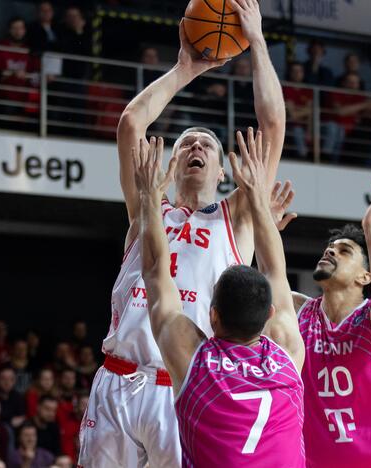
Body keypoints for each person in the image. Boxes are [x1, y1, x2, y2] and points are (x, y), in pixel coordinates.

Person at [79, 0, 286, 464]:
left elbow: (272, 127)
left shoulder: (237, 218)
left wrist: (257, 42)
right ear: (172, 164)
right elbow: (131, 123)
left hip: (185, 385)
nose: (195, 145)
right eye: (186, 141)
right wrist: (184, 68)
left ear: (221, 170)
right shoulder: (147, 208)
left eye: (207, 144)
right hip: (116, 381)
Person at [133, 129, 304, 466]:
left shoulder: (195, 363)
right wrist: (257, 200)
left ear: (211, 317)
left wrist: (150, 199)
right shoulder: (287, 353)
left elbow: (155, 273)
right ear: (270, 313)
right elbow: (275, 271)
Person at [286, 177, 371, 466]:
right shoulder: (299, 310)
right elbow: (257, 286)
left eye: (345, 251)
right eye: (330, 248)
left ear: (364, 278)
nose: (330, 251)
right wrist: (264, 225)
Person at [322, 72, 371, 164]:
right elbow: (340, 112)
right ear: (343, 83)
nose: (353, 85)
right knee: (336, 129)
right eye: (350, 82)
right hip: (336, 126)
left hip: (353, 130)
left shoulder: (361, 97)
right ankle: (328, 161)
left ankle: (368, 165)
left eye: (356, 82)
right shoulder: (335, 93)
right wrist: (365, 105)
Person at [283, 61, 313, 159]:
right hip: (288, 126)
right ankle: (303, 157)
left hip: (304, 126)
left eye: (299, 71)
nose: (297, 74)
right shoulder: (285, 88)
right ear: (290, 73)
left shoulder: (308, 91)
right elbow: (292, 115)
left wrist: (309, 131)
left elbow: (311, 113)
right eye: (294, 71)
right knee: (298, 130)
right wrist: (306, 110)